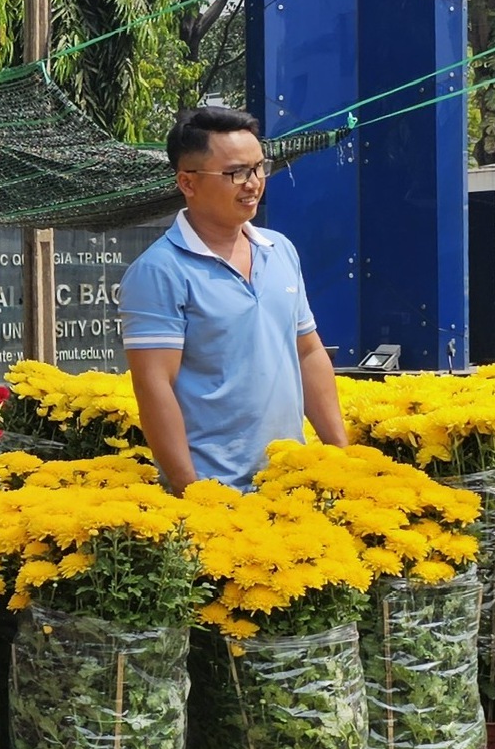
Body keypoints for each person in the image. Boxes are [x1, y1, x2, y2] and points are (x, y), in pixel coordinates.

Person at [117, 104, 347, 494]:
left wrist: (341, 457)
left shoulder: (281, 250)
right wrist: (191, 491)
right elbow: (154, 385)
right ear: (187, 183)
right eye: (236, 173)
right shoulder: (159, 271)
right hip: (216, 494)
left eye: (259, 168)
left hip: (291, 484)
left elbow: (308, 352)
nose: (253, 183)